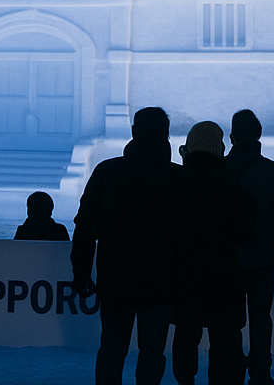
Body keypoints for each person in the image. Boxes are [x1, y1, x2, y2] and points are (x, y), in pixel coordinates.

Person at [70, 106, 184, 385]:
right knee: (153, 351)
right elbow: (187, 234)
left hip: (116, 277)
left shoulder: (108, 171)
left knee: (111, 348)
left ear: (133, 132)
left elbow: (85, 226)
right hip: (162, 280)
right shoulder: (179, 177)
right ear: (166, 135)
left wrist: (81, 272)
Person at [172, 121, 251, 385]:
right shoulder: (230, 182)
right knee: (225, 342)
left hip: (184, 276)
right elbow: (244, 228)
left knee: (185, 337)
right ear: (219, 148)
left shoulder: (177, 181)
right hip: (224, 276)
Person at [224, 109, 274, 385]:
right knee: (260, 318)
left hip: (228, 257)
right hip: (263, 255)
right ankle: (260, 372)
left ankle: (231, 369)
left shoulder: (222, 168)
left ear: (232, 137)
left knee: (230, 319)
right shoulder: (271, 169)